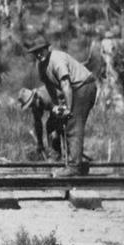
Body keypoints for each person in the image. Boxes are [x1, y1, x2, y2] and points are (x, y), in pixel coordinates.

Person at [24, 36, 97, 176]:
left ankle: (74, 167)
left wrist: (68, 109)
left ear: (47, 49)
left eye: (41, 51)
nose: (39, 54)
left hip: (84, 86)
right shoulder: (41, 66)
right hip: (75, 89)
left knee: (72, 123)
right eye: (35, 52)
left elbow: (65, 85)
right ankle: (67, 161)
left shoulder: (56, 60)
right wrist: (58, 106)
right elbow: (50, 87)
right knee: (59, 122)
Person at [17, 86, 65, 161]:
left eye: (31, 104)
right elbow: (38, 123)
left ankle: (70, 155)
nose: (32, 107)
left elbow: (63, 114)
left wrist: (57, 131)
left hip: (67, 102)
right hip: (56, 109)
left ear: (35, 97)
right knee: (50, 126)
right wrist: (40, 143)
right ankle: (57, 155)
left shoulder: (47, 97)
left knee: (61, 130)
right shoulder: (35, 104)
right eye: (30, 106)